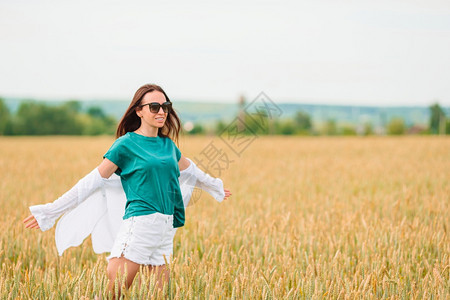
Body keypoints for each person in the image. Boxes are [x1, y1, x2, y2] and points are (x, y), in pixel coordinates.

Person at [23, 84, 232, 296]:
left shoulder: (168, 145)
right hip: (140, 225)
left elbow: (192, 172)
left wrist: (216, 187)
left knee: (159, 296)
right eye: (154, 107)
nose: (161, 112)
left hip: (165, 230)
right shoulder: (126, 144)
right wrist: (51, 210)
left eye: (165, 106)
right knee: (111, 293)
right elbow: (92, 181)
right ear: (139, 111)